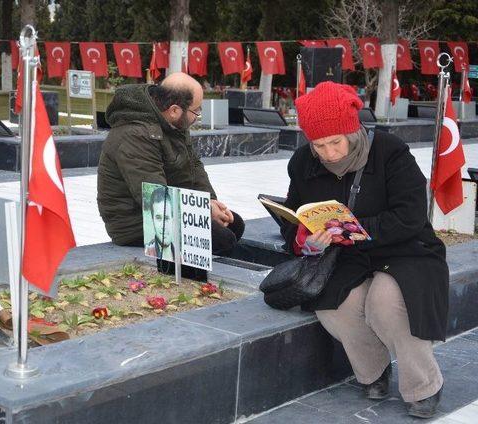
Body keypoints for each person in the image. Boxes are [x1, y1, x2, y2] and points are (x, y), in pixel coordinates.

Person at [280, 81, 448, 419]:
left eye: (335, 142)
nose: (328, 154)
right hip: (346, 258)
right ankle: (374, 371)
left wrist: (360, 229)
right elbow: (294, 216)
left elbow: (411, 216)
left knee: (386, 304)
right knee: (334, 307)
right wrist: (305, 239)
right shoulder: (302, 163)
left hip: (405, 251)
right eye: (319, 145)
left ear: (353, 131)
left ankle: (423, 386)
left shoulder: (390, 152)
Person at [97, 72, 244, 259]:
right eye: (196, 111)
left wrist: (211, 202)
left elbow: (194, 167)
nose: (197, 116)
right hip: (135, 223)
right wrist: (203, 210)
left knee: (234, 224)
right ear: (175, 110)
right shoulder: (135, 135)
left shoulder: (174, 123)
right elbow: (155, 199)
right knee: (222, 239)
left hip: (168, 208)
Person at [144, 186, 175, 262]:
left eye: (167, 218)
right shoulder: (147, 251)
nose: (163, 226)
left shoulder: (181, 258)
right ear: (152, 220)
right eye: (158, 218)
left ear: (173, 221)